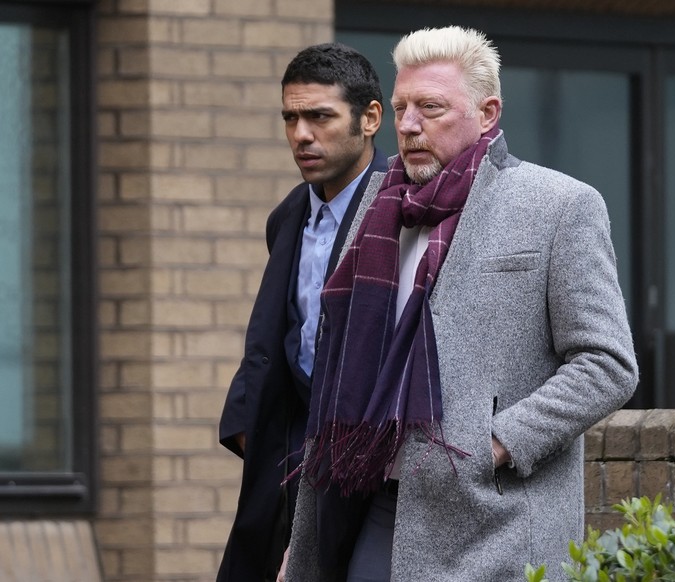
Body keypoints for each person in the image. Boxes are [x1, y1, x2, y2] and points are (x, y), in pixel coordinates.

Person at [284, 26, 638, 581]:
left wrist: (494, 443)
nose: (407, 125)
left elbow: (606, 365)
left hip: (492, 518)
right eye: (401, 107)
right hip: (368, 501)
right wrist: (303, 539)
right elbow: (340, 366)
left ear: (488, 112)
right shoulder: (376, 205)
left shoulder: (559, 205)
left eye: (430, 107)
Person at [216, 42, 386, 582]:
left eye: (320, 116)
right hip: (293, 459)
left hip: (375, 469)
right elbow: (278, 333)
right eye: (290, 117)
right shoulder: (288, 215)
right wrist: (252, 425)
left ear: (371, 119)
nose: (301, 135)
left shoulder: (403, 211)